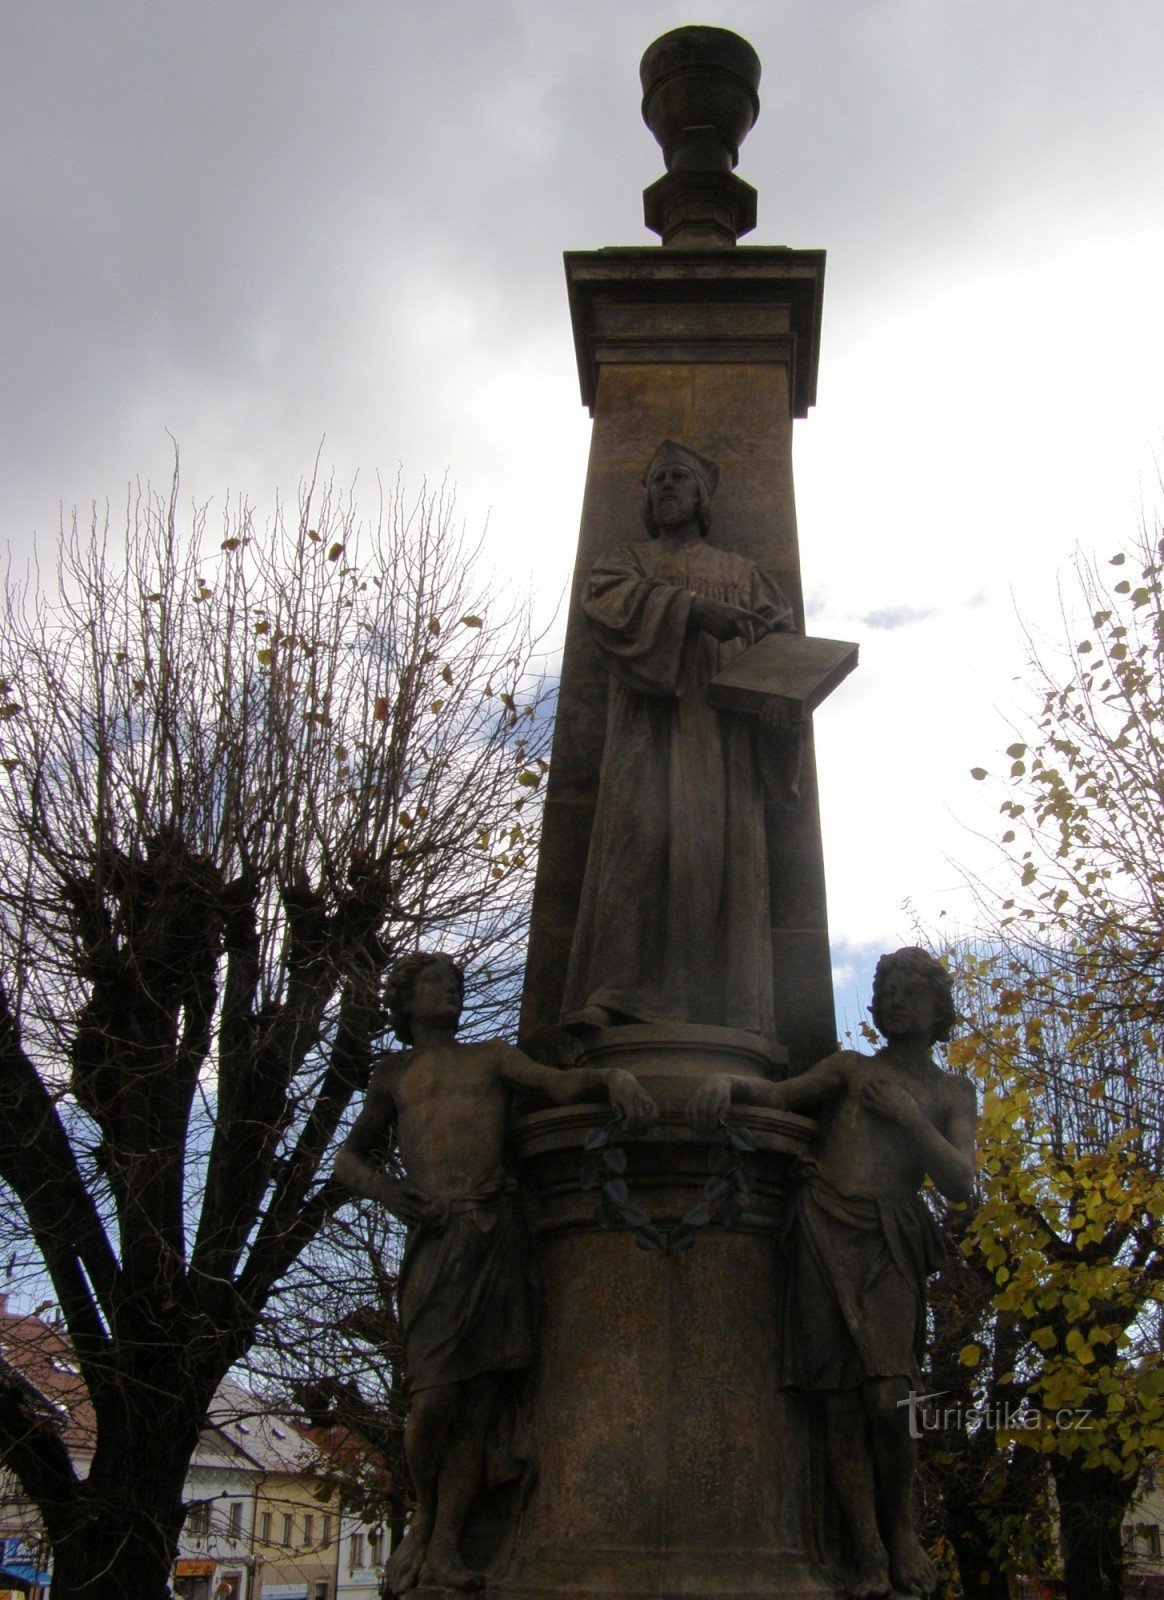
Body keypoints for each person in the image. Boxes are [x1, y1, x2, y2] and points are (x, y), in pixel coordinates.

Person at [334, 952, 656, 1594]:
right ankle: (425, 1517)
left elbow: (559, 1085)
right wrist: (388, 1192)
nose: (447, 989)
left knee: (477, 1404)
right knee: (431, 1402)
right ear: (404, 1001)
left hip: (494, 1236)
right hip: (438, 1239)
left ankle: (448, 1543)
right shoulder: (394, 1072)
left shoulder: (491, 1058)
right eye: (433, 982)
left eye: (454, 981)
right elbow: (347, 1158)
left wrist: (611, 1077)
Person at [689, 948, 977, 1600]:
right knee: (839, 1402)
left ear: (938, 1009)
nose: (896, 999)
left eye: (910, 989)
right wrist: (729, 1085)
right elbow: (779, 1094)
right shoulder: (847, 1070)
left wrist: (905, 1113)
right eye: (887, 989)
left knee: (892, 1398)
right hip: (822, 1229)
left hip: (887, 1241)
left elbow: (960, 1181)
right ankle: (866, 1550)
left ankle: (898, 1528)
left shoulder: (952, 1092)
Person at [562, 439, 802, 1038]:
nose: (667, 487)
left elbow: (785, 656)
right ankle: (616, 991)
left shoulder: (745, 575)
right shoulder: (626, 561)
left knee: (712, 859)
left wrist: (780, 710)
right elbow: (607, 606)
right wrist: (692, 612)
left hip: (724, 744)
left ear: (700, 497)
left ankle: (725, 1005)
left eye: (679, 478)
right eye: (658, 479)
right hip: (648, 730)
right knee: (635, 848)